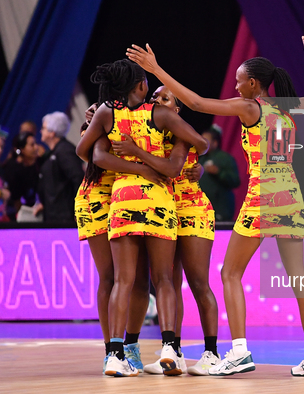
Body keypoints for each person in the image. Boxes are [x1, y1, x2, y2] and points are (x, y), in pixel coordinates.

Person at [127, 27, 304, 377]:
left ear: (254, 85)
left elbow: (198, 104)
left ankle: (238, 352)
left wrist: (157, 70)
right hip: (292, 197)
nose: (236, 87)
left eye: (240, 81)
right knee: (299, 278)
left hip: (263, 196)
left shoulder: (251, 108)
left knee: (229, 272)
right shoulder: (286, 108)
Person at [76, 59, 208, 377]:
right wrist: (148, 164)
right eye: (155, 91)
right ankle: (166, 348)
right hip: (145, 198)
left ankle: (117, 352)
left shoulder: (107, 113)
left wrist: (128, 153)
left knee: (123, 280)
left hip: (119, 199)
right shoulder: (156, 116)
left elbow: (87, 152)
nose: (158, 98)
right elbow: (198, 146)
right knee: (159, 279)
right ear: (141, 86)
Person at [115, 86, 220, 376]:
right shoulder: (151, 133)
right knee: (168, 283)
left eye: (165, 99)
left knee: (198, 283)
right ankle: (173, 351)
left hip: (192, 209)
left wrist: (196, 167)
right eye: (154, 98)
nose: (156, 102)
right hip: (164, 210)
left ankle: (211, 352)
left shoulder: (180, 133)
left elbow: (190, 154)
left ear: (175, 110)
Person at [75, 104, 169, 374]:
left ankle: (131, 346)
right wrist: (140, 170)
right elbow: (91, 154)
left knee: (139, 278)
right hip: (96, 199)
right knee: (110, 277)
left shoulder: (139, 120)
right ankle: (111, 352)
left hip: (130, 199)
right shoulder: (98, 124)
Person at [38, 112, 84, 223]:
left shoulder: (64, 151)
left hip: (64, 217)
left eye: (43, 128)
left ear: (51, 133)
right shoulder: (54, 152)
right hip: (54, 215)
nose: (41, 131)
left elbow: (78, 178)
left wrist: (78, 209)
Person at [198, 124, 241, 221]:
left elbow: (236, 181)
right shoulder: (200, 158)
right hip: (201, 211)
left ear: (215, 143)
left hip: (220, 210)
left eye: (206, 140)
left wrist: (218, 172)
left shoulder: (225, 158)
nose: (202, 142)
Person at [2, 132, 42, 221]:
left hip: (37, 209)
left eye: (36, 143)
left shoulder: (40, 163)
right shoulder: (12, 168)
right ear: (22, 149)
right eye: (32, 145)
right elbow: (15, 199)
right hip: (18, 214)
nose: (36, 147)